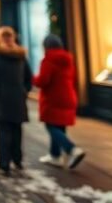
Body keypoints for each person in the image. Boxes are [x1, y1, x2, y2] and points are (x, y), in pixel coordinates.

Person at [0, 26, 34, 177]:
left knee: (16, 132)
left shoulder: (20, 56)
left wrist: (24, 90)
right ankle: (4, 164)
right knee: (4, 133)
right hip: (2, 101)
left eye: (10, 36)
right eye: (4, 37)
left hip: (17, 99)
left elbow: (28, 77)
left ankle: (17, 160)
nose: (8, 39)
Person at [33, 34, 85, 170]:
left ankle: (72, 149)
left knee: (51, 126)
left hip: (53, 98)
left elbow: (43, 81)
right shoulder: (68, 58)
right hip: (68, 96)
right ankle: (55, 156)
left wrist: (32, 78)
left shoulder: (48, 60)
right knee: (59, 126)